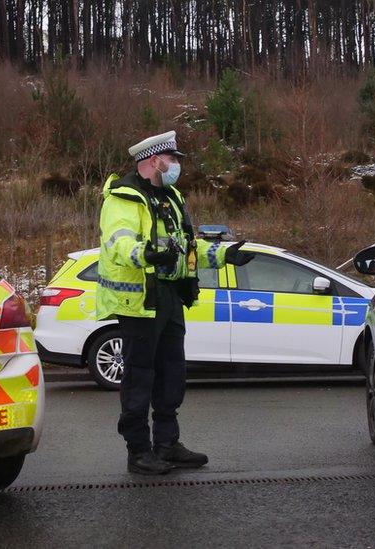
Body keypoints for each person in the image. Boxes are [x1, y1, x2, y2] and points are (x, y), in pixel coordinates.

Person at [96, 130, 256, 475]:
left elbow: (187, 248)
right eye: (173, 159)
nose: (177, 165)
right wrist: (147, 254)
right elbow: (118, 243)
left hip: (169, 296)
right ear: (154, 160)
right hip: (139, 301)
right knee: (139, 376)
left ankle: (167, 444)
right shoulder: (124, 198)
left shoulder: (170, 197)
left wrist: (225, 254)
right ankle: (138, 451)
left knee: (172, 373)